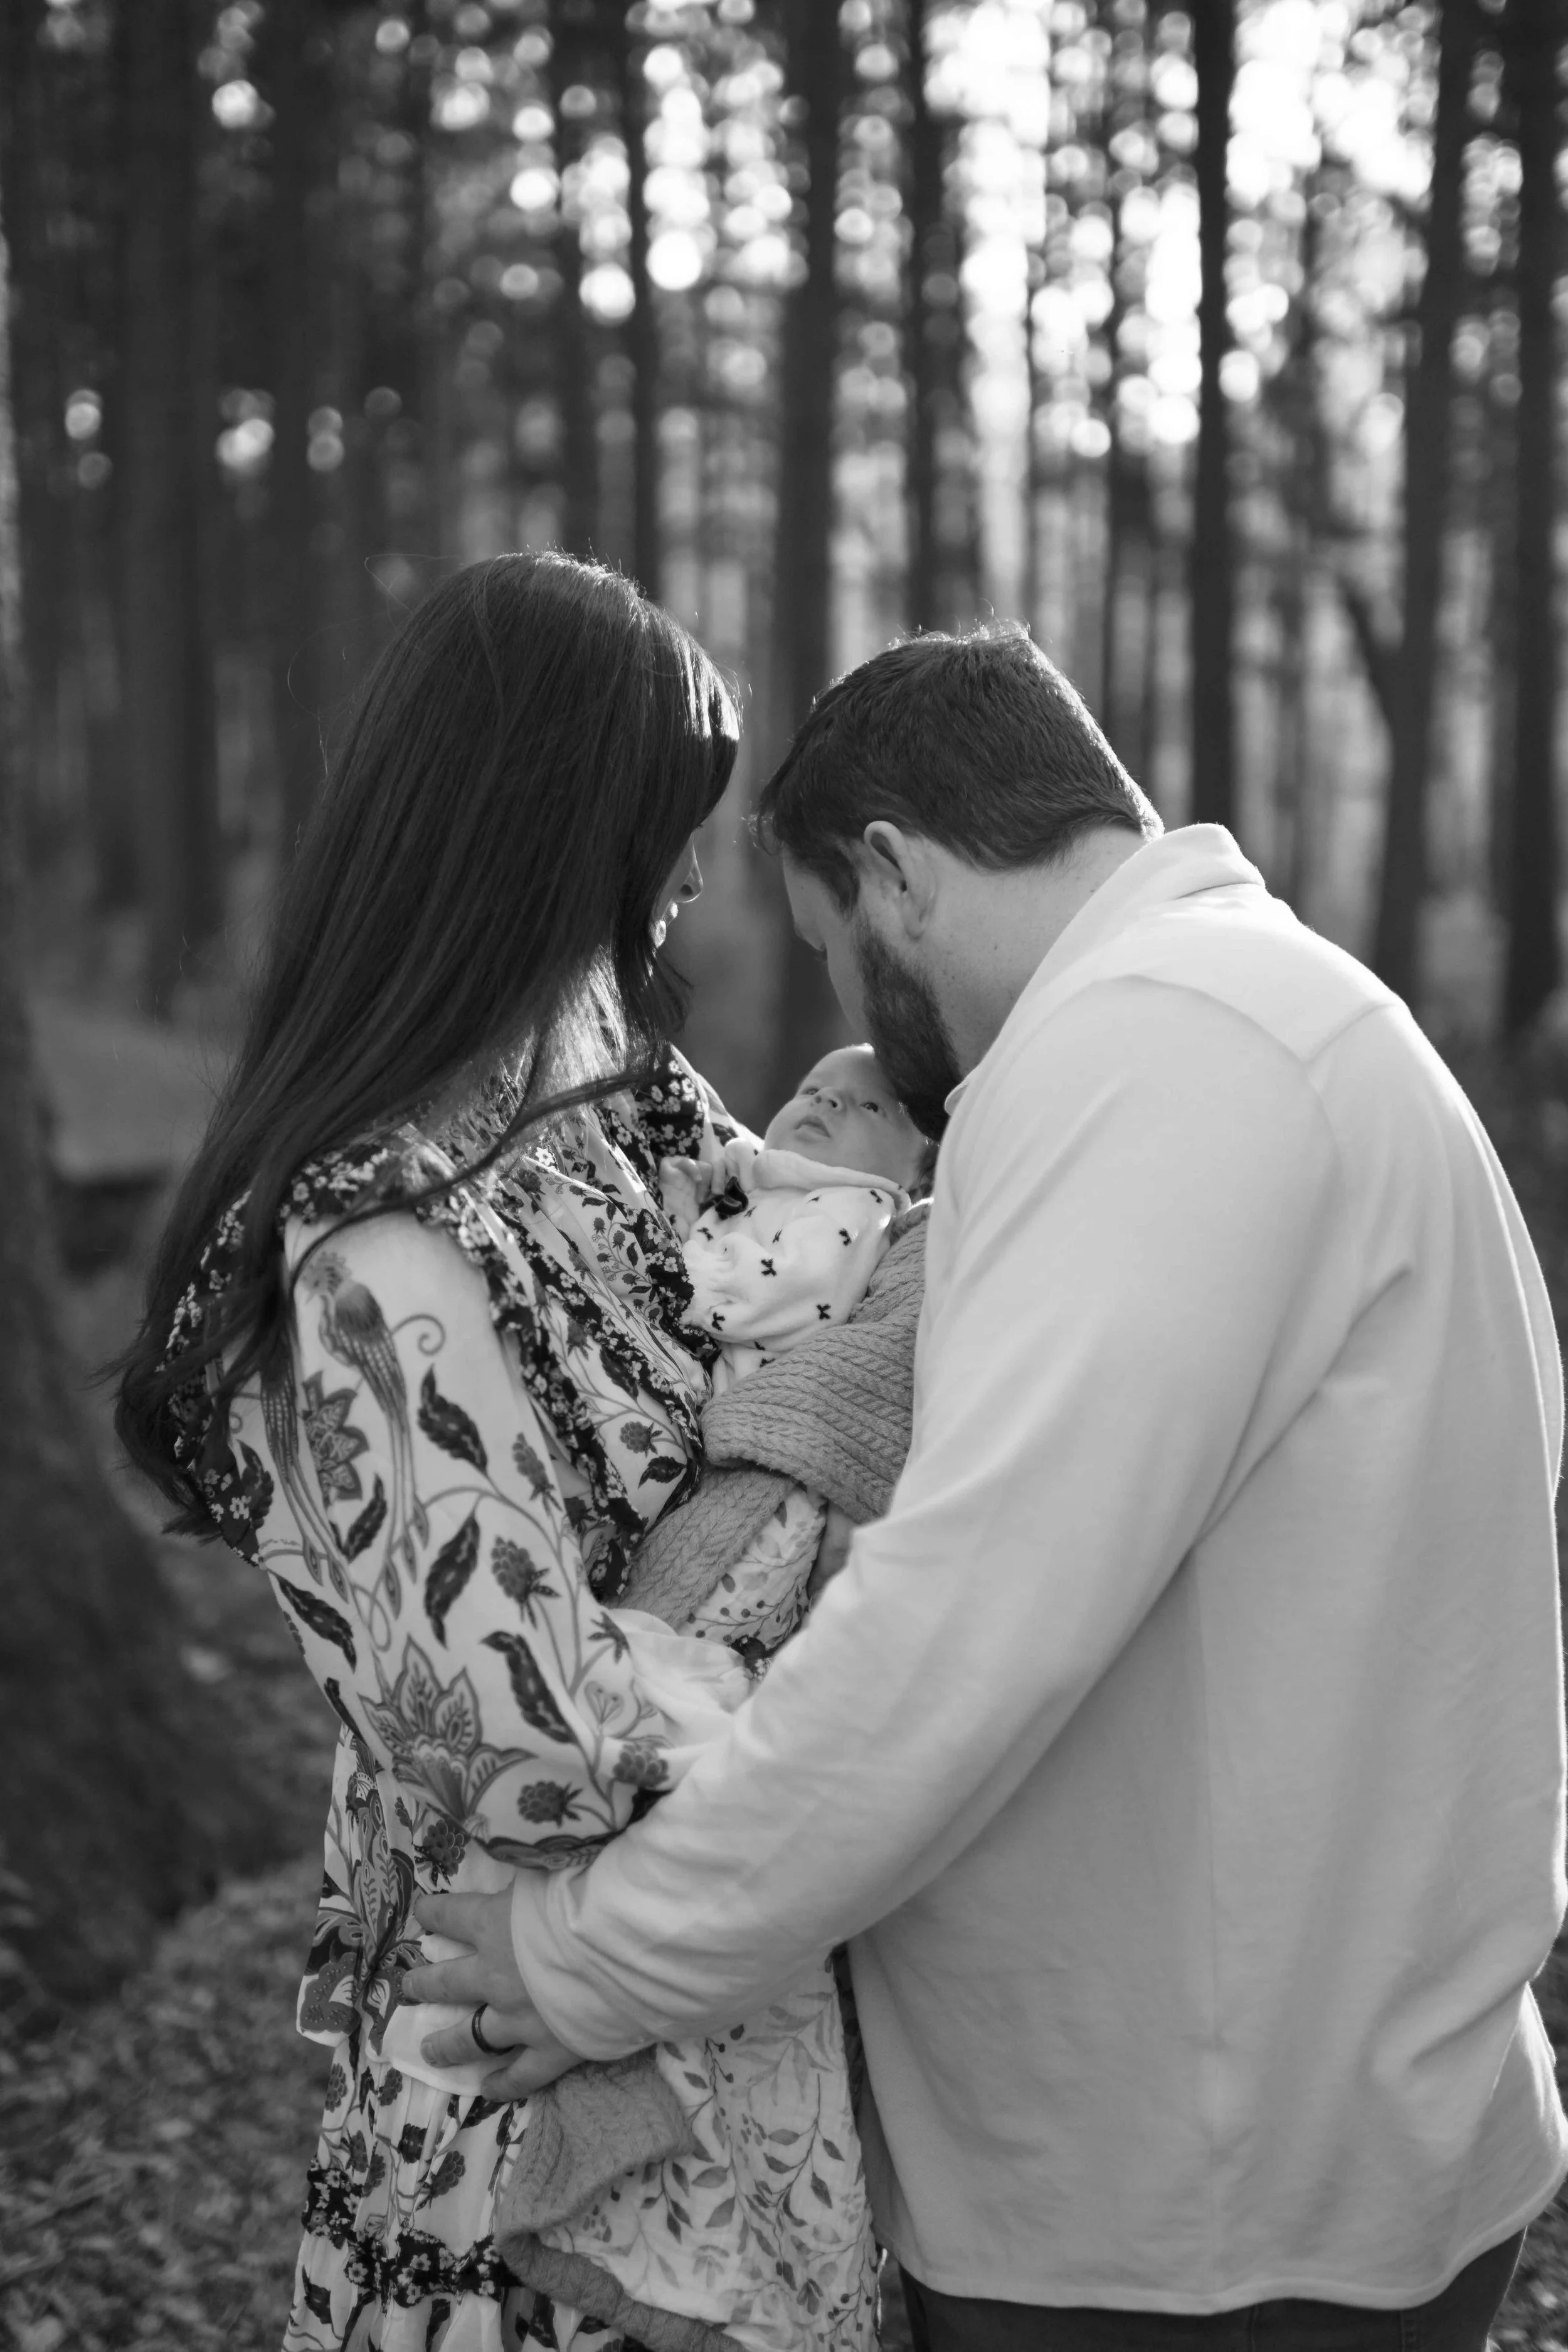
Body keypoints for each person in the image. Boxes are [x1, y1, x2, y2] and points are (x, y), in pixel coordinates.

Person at [405, 625, 1568, 2352]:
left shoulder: (1163, 1057)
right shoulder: (1252, 1016)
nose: (859, 1023)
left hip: (1195, 2227)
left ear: (893, 871)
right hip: (1256, 2150)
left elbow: (959, 1630)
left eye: (834, 949)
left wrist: (603, 1952)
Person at [115, 554, 876, 2352]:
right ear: (549, 838)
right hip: (527, 2090)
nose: (694, 882)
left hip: (709, 2000)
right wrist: (861, 1657)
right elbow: (526, 1748)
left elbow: (827, 1294)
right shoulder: (371, 1258)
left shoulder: (620, 1113)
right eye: (664, 834)